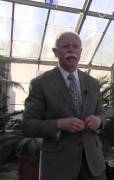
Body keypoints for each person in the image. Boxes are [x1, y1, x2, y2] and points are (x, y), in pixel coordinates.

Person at [22, 31, 107, 180]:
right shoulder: (41, 84)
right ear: (55, 52)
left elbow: (102, 114)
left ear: (80, 52)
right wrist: (59, 124)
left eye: (75, 46)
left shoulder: (93, 83)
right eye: (65, 46)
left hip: (94, 165)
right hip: (59, 167)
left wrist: (98, 121)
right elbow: (28, 125)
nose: (71, 50)